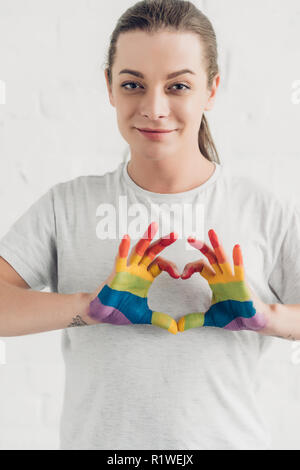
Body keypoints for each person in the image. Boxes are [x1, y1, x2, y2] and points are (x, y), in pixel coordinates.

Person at [0, 0, 299, 451]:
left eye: (178, 85)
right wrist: (89, 307)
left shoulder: (260, 208)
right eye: (132, 84)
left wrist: (266, 317)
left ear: (212, 90)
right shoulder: (68, 205)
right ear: (110, 87)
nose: (154, 107)